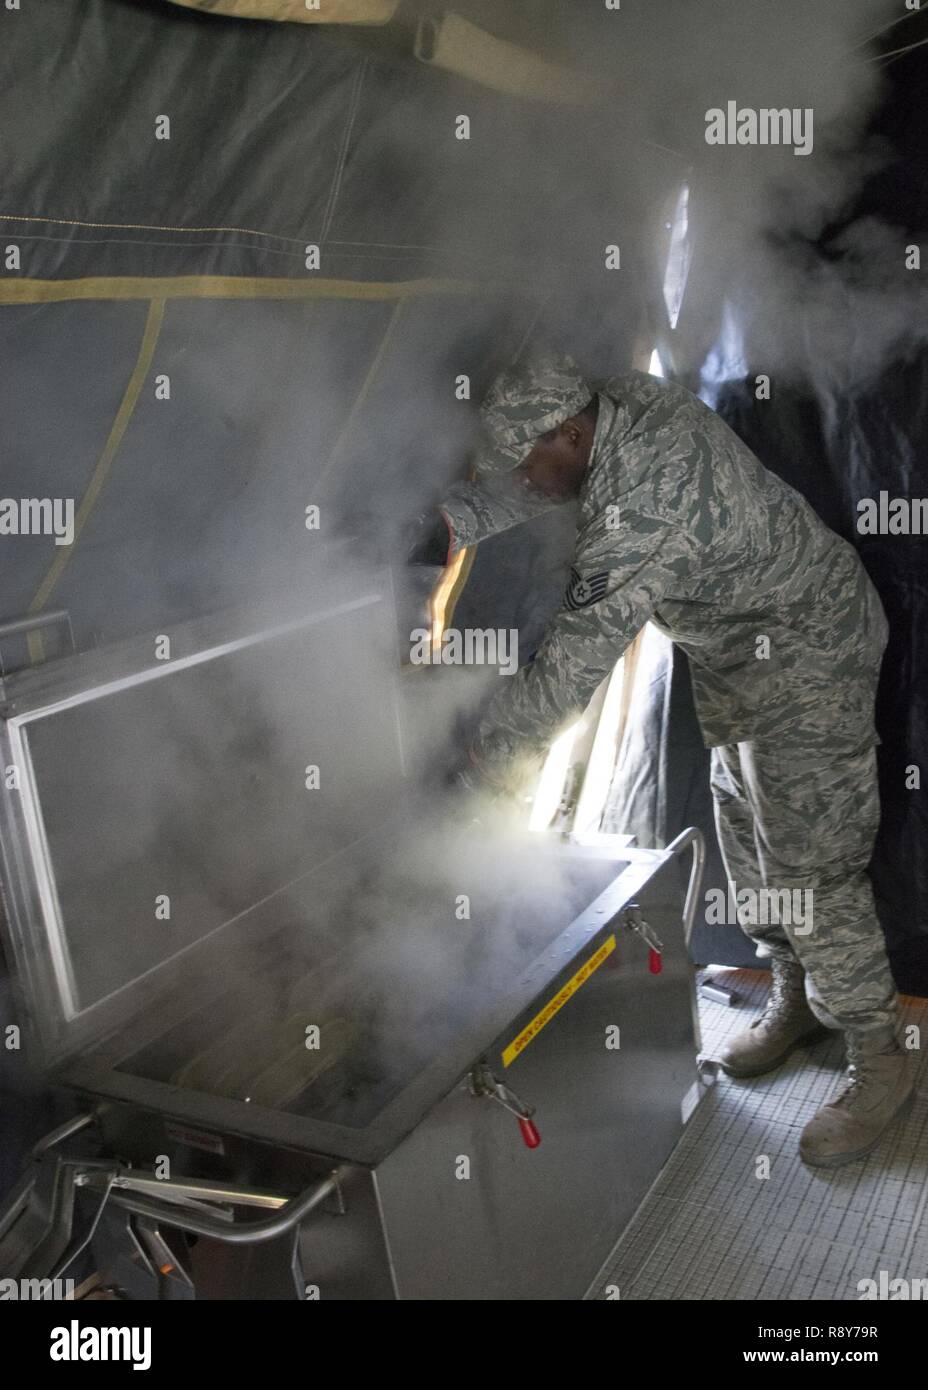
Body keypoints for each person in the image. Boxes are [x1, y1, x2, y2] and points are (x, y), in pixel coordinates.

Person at [411, 348, 913, 1169]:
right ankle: (796, 998)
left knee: (811, 865)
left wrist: (482, 760)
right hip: (741, 655)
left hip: (809, 650)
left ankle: (881, 1058)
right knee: (748, 829)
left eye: (530, 460)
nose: (526, 481)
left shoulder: (642, 513)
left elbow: (571, 670)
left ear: (570, 434)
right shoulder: (614, 401)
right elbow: (542, 482)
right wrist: (454, 522)